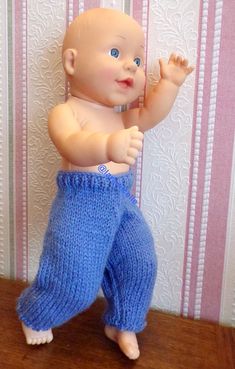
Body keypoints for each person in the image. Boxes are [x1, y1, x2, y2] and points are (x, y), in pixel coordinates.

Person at [16, 7, 194, 360]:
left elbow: (150, 114)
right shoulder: (66, 112)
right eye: (116, 53)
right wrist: (108, 146)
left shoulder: (121, 116)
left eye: (138, 59)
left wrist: (170, 84)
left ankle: (123, 322)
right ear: (71, 62)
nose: (131, 65)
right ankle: (36, 315)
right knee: (75, 278)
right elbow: (72, 145)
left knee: (140, 261)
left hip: (120, 201)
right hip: (80, 204)